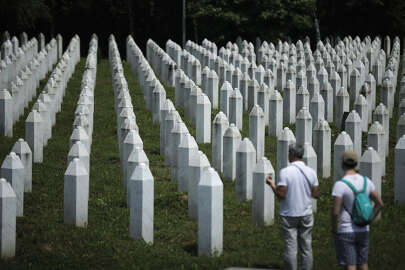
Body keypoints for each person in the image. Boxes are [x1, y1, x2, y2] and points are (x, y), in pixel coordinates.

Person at [266, 143, 319, 270]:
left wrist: (271, 184)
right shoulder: (311, 172)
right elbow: (316, 194)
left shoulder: (285, 172)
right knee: (306, 246)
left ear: (293, 154)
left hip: (289, 214)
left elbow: (281, 195)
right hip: (306, 213)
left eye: (289, 152)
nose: (288, 155)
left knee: (291, 246)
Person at [331, 150, 384, 270]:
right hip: (364, 229)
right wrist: (369, 219)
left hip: (346, 229)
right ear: (356, 163)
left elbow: (335, 211)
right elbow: (380, 203)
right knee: (363, 263)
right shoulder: (366, 181)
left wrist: (334, 229)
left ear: (342, 164)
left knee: (350, 265)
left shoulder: (341, 185)